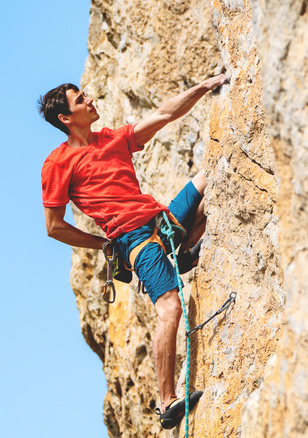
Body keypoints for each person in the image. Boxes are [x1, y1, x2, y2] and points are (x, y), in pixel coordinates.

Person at [39, 73, 229, 429]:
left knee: (211, 176)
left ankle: (184, 251)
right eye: (80, 100)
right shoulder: (58, 164)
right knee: (170, 308)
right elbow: (53, 226)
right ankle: (166, 401)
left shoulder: (111, 139)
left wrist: (204, 87)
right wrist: (103, 244)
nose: (89, 100)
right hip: (134, 240)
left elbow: (163, 114)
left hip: (161, 221)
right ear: (66, 118)